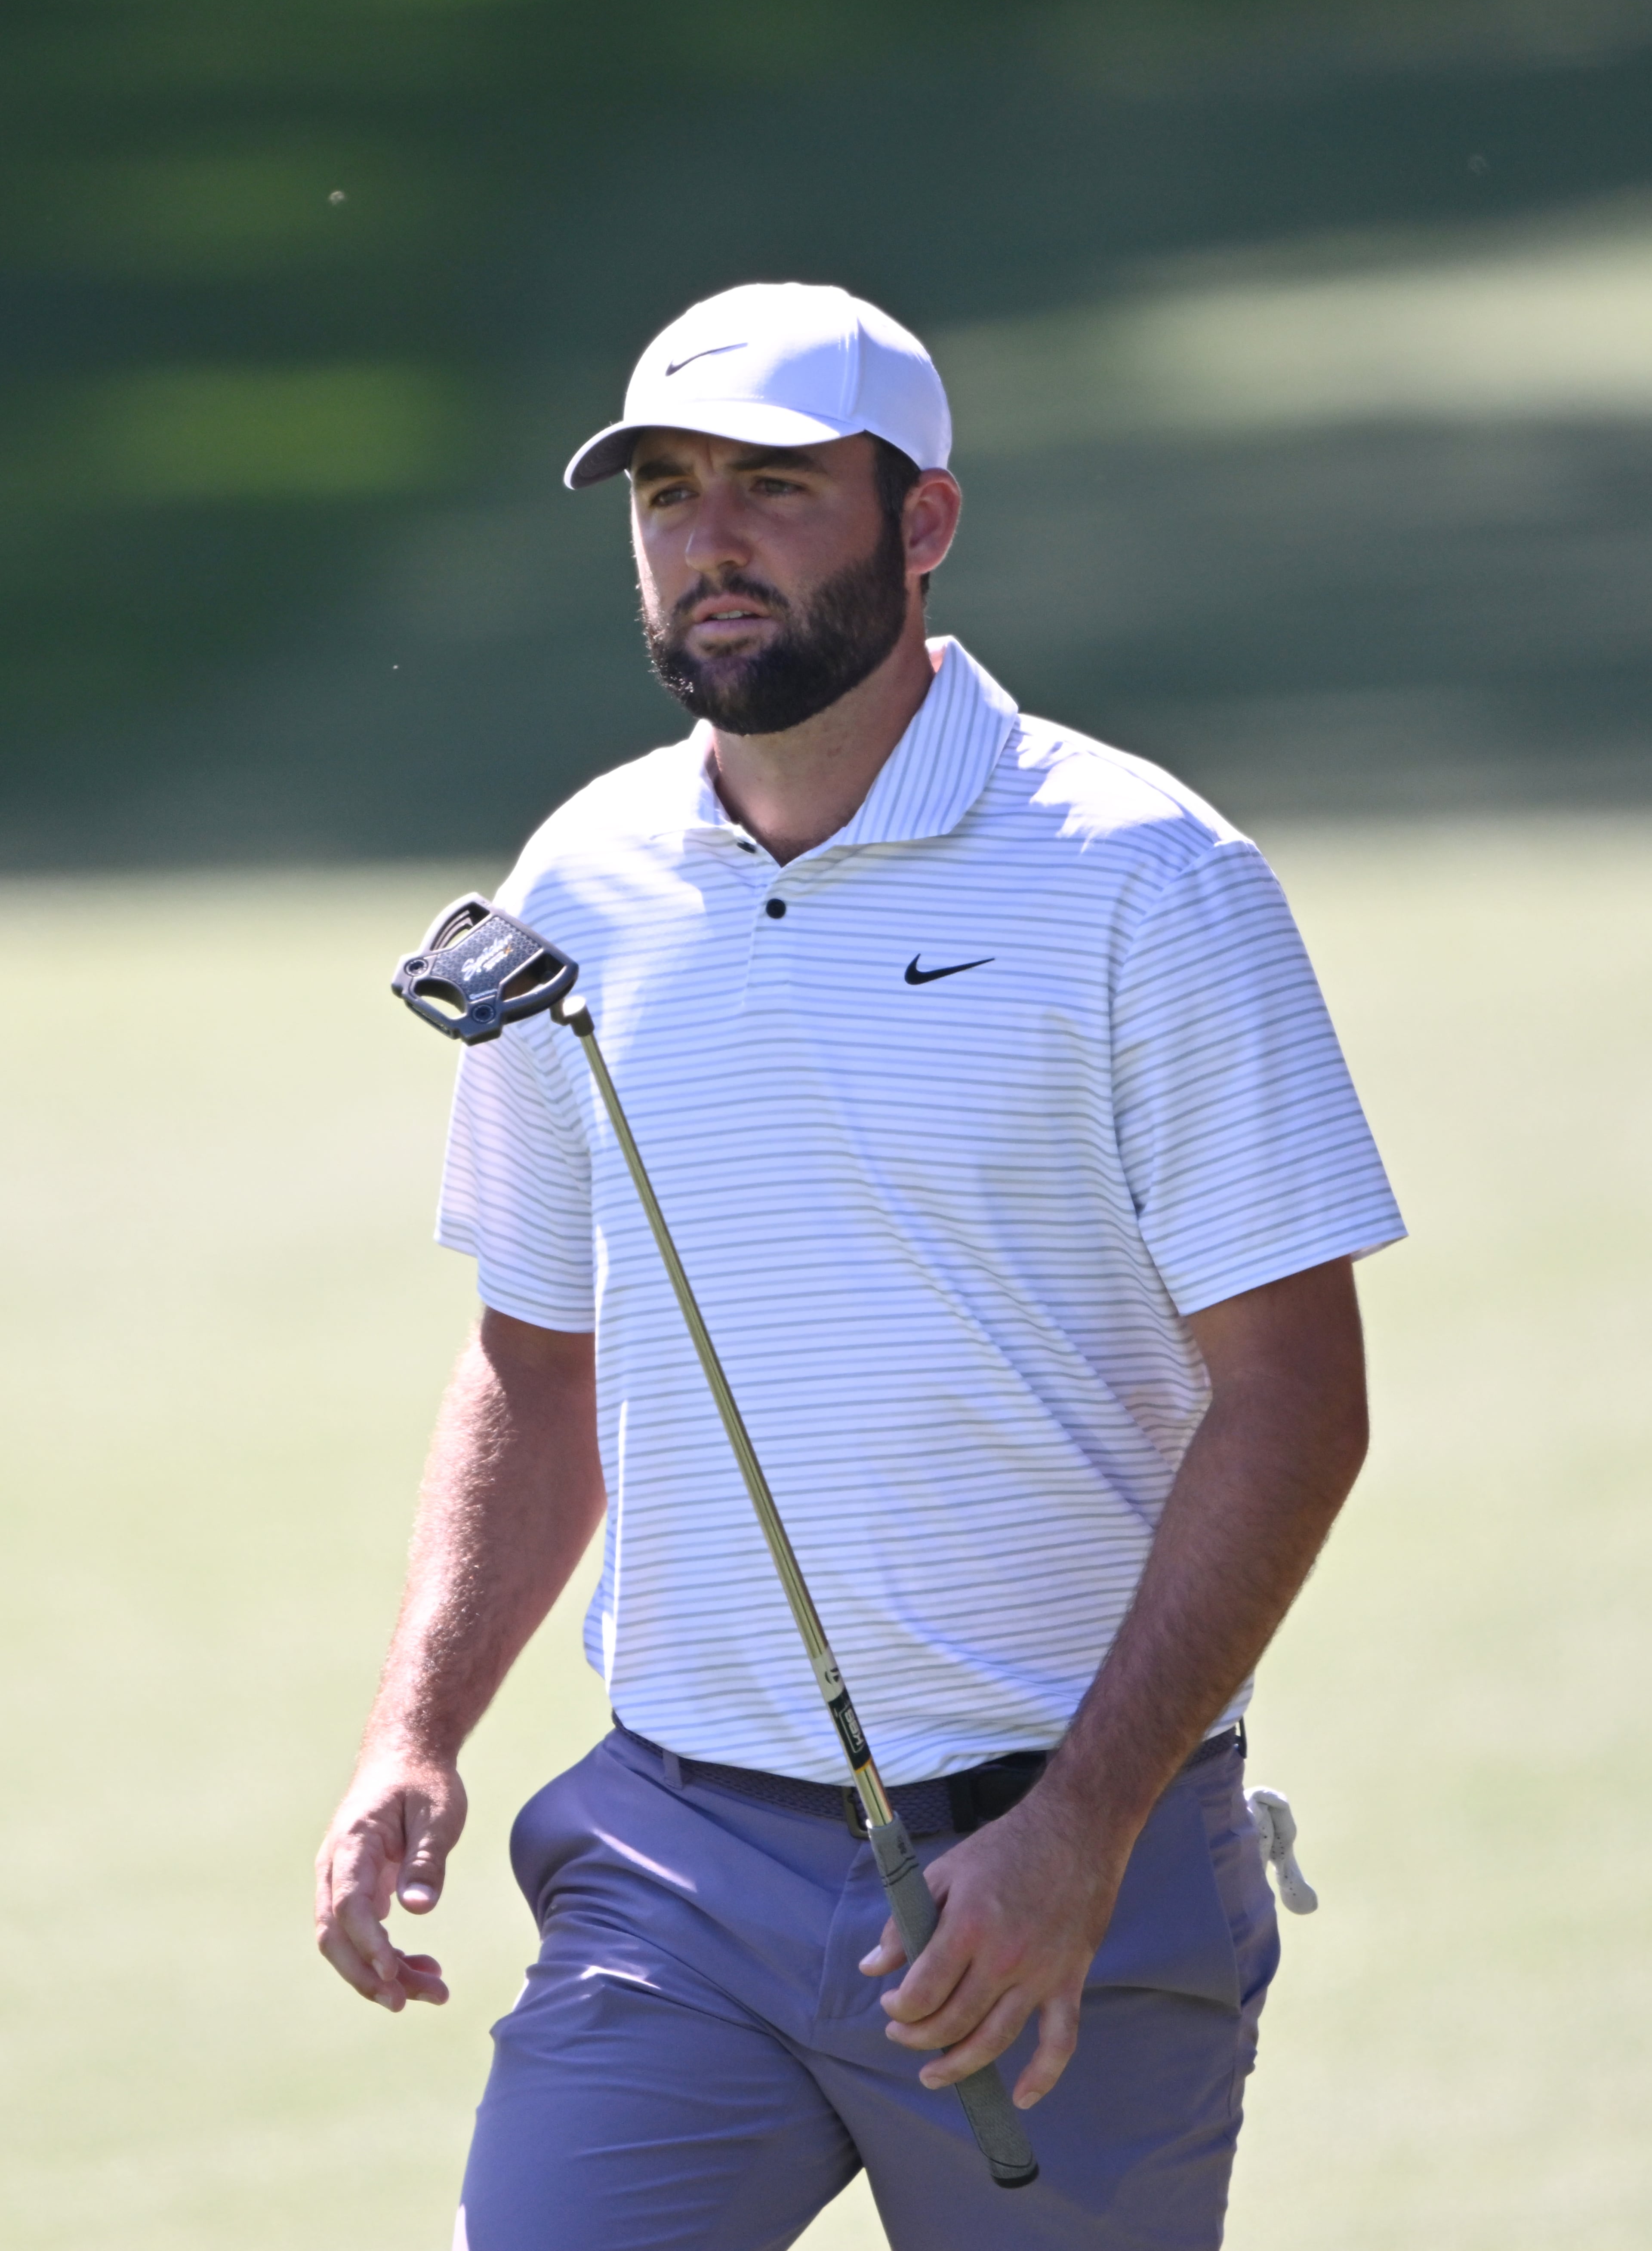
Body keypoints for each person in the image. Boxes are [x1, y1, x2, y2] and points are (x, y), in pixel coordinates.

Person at [315, 282, 1404, 2250]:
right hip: (674, 1862)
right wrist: (419, 1728)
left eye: (775, 489)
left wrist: (1076, 1835)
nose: (708, 539)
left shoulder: (1148, 880)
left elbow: (1297, 1399)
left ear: (923, 526)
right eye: (665, 493)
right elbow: (534, 1358)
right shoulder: (581, 883)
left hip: (1069, 1866)